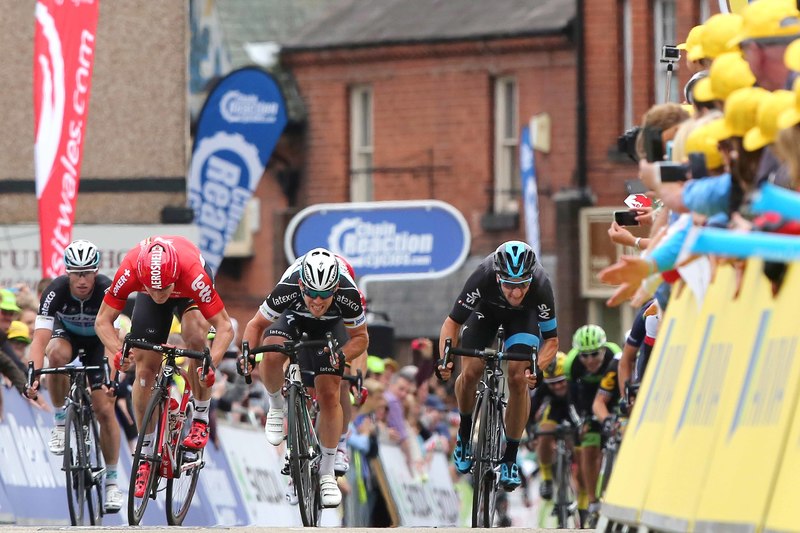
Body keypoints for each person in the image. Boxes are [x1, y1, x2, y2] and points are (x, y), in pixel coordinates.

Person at [94, 235, 234, 499]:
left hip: (188, 292)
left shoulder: (193, 274)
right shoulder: (131, 268)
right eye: (153, 289)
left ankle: (201, 417)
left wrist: (209, 363)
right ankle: (145, 454)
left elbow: (225, 327)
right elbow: (102, 321)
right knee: (145, 369)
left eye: (163, 289)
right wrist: (117, 353)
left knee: (194, 336)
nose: (160, 296)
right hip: (151, 286)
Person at [241, 247, 369, 508]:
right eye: (311, 293)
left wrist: (341, 358)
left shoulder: (349, 294)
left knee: (330, 391)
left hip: (331, 329)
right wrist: (247, 355)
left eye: (324, 295)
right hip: (293, 318)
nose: (318, 301)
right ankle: (276, 407)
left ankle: (327, 472)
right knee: (274, 351)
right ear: (302, 284)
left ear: (335, 289)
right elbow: (255, 325)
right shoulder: (288, 286)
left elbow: (361, 339)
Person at [436, 240, 557, 490]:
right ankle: (465, 433)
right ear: (498, 277)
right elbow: (452, 324)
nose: (516, 293)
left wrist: (538, 367)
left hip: (524, 319)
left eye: (522, 285)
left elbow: (552, 341)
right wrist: (445, 359)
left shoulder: (541, 285)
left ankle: (510, 457)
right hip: (485, 313)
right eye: (509, 285)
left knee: (518, 377)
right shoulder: (484, 275)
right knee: (471, 372)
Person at [25, 240, 124, 513]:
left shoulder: (107, 289)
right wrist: (32, 373)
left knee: (105, 408)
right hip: (66, 336)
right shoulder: (54, 291)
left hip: (98, 341)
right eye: (77, 273)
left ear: (96, 271)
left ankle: (112, 484)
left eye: (88, 273)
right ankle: (59, 422)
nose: (82, 280)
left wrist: (110, 379)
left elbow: (112, 341)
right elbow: (39, 341)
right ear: (68, 272)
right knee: (55, 356)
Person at [564, 324, 621, 524]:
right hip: (586, 403)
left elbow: (623, 386)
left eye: (595, 354)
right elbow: (569, 399)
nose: (589, 360)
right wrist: (580, 422)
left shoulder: (615, 356)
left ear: (604, 349)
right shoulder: (571, 363)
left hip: (611, 398)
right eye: (584, 355)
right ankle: (593, 501)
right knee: (588, 447)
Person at [529, 352, 581, 502]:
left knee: (580, 447)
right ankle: (546, 478)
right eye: (552, 383)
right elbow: (530, 414)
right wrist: (532, 435)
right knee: (544, 432)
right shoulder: (543, 388)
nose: (557, 386)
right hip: (554, 413)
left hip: (574, 413)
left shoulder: (575, 384)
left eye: (561, 381)